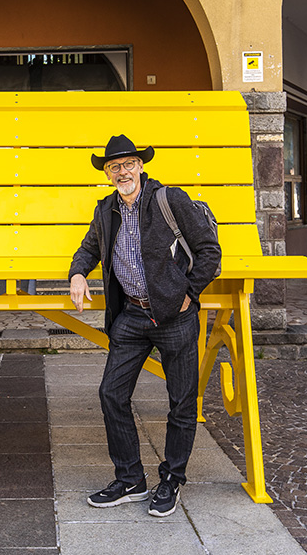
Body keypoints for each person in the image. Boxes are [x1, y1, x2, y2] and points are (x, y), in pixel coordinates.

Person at [69, 134, 222, 518]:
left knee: (182, 403)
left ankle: (171, 479)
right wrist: (77, 273)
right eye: (114, 167)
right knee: (111, 394)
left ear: (141, 166)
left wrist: (189, 294)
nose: (122, 172)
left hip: (175, 316)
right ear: (107, 174)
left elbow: (209, 251)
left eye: (128, 164)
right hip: (132, 317)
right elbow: (89, 247)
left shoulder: (169, 200)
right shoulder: (106, 209)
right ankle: (131, 479)